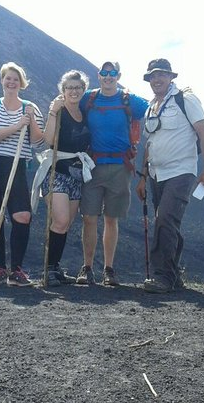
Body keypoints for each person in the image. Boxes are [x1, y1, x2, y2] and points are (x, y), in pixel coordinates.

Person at [135, 58, 204, 293]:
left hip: (181, 171)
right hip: (155, 174)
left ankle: (163, 277)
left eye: (161, 75)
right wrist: (142, 176)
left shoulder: (185, 100)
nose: (156, 79)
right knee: (168, 223)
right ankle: (173, 275)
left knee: (165, 219)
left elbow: (203, 131)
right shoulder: (151, 107)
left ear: (171, 77)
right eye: (152, 76)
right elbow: (149, 143)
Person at [77, 61, 148, 285]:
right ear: (98, 75)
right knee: (88, 217)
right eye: (105, 73)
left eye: (113, 73)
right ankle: (87, 268)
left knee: (110, 219)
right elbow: (68, 103)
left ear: (119, 75)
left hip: (120, 167)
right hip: (93, 166)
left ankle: (109, 270)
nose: (108, 77)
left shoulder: (129, 101)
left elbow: (153, 107)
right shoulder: (88, 99)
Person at [0, 62, 45, 286]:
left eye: (16, 79)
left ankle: (16, 269)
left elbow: (37, 142)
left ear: (21, 83)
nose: (11, 82)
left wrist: (30, 120)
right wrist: (18, 125)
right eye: (8, 78)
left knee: (22, 216)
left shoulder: (30, 107)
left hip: (16, 168)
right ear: (2, 80)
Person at [31, 70, 94, 286]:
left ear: (83, 90)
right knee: (60, 220)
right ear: (63, 91)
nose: (74, 91)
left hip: (75, 174)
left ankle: (55, 267)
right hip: (56, 172)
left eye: (78, 87)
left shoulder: (85, 113)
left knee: (66, 224)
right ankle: (48, 269)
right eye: (70, 88)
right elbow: (48, 140)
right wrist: (52, 112)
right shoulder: (58, 111)